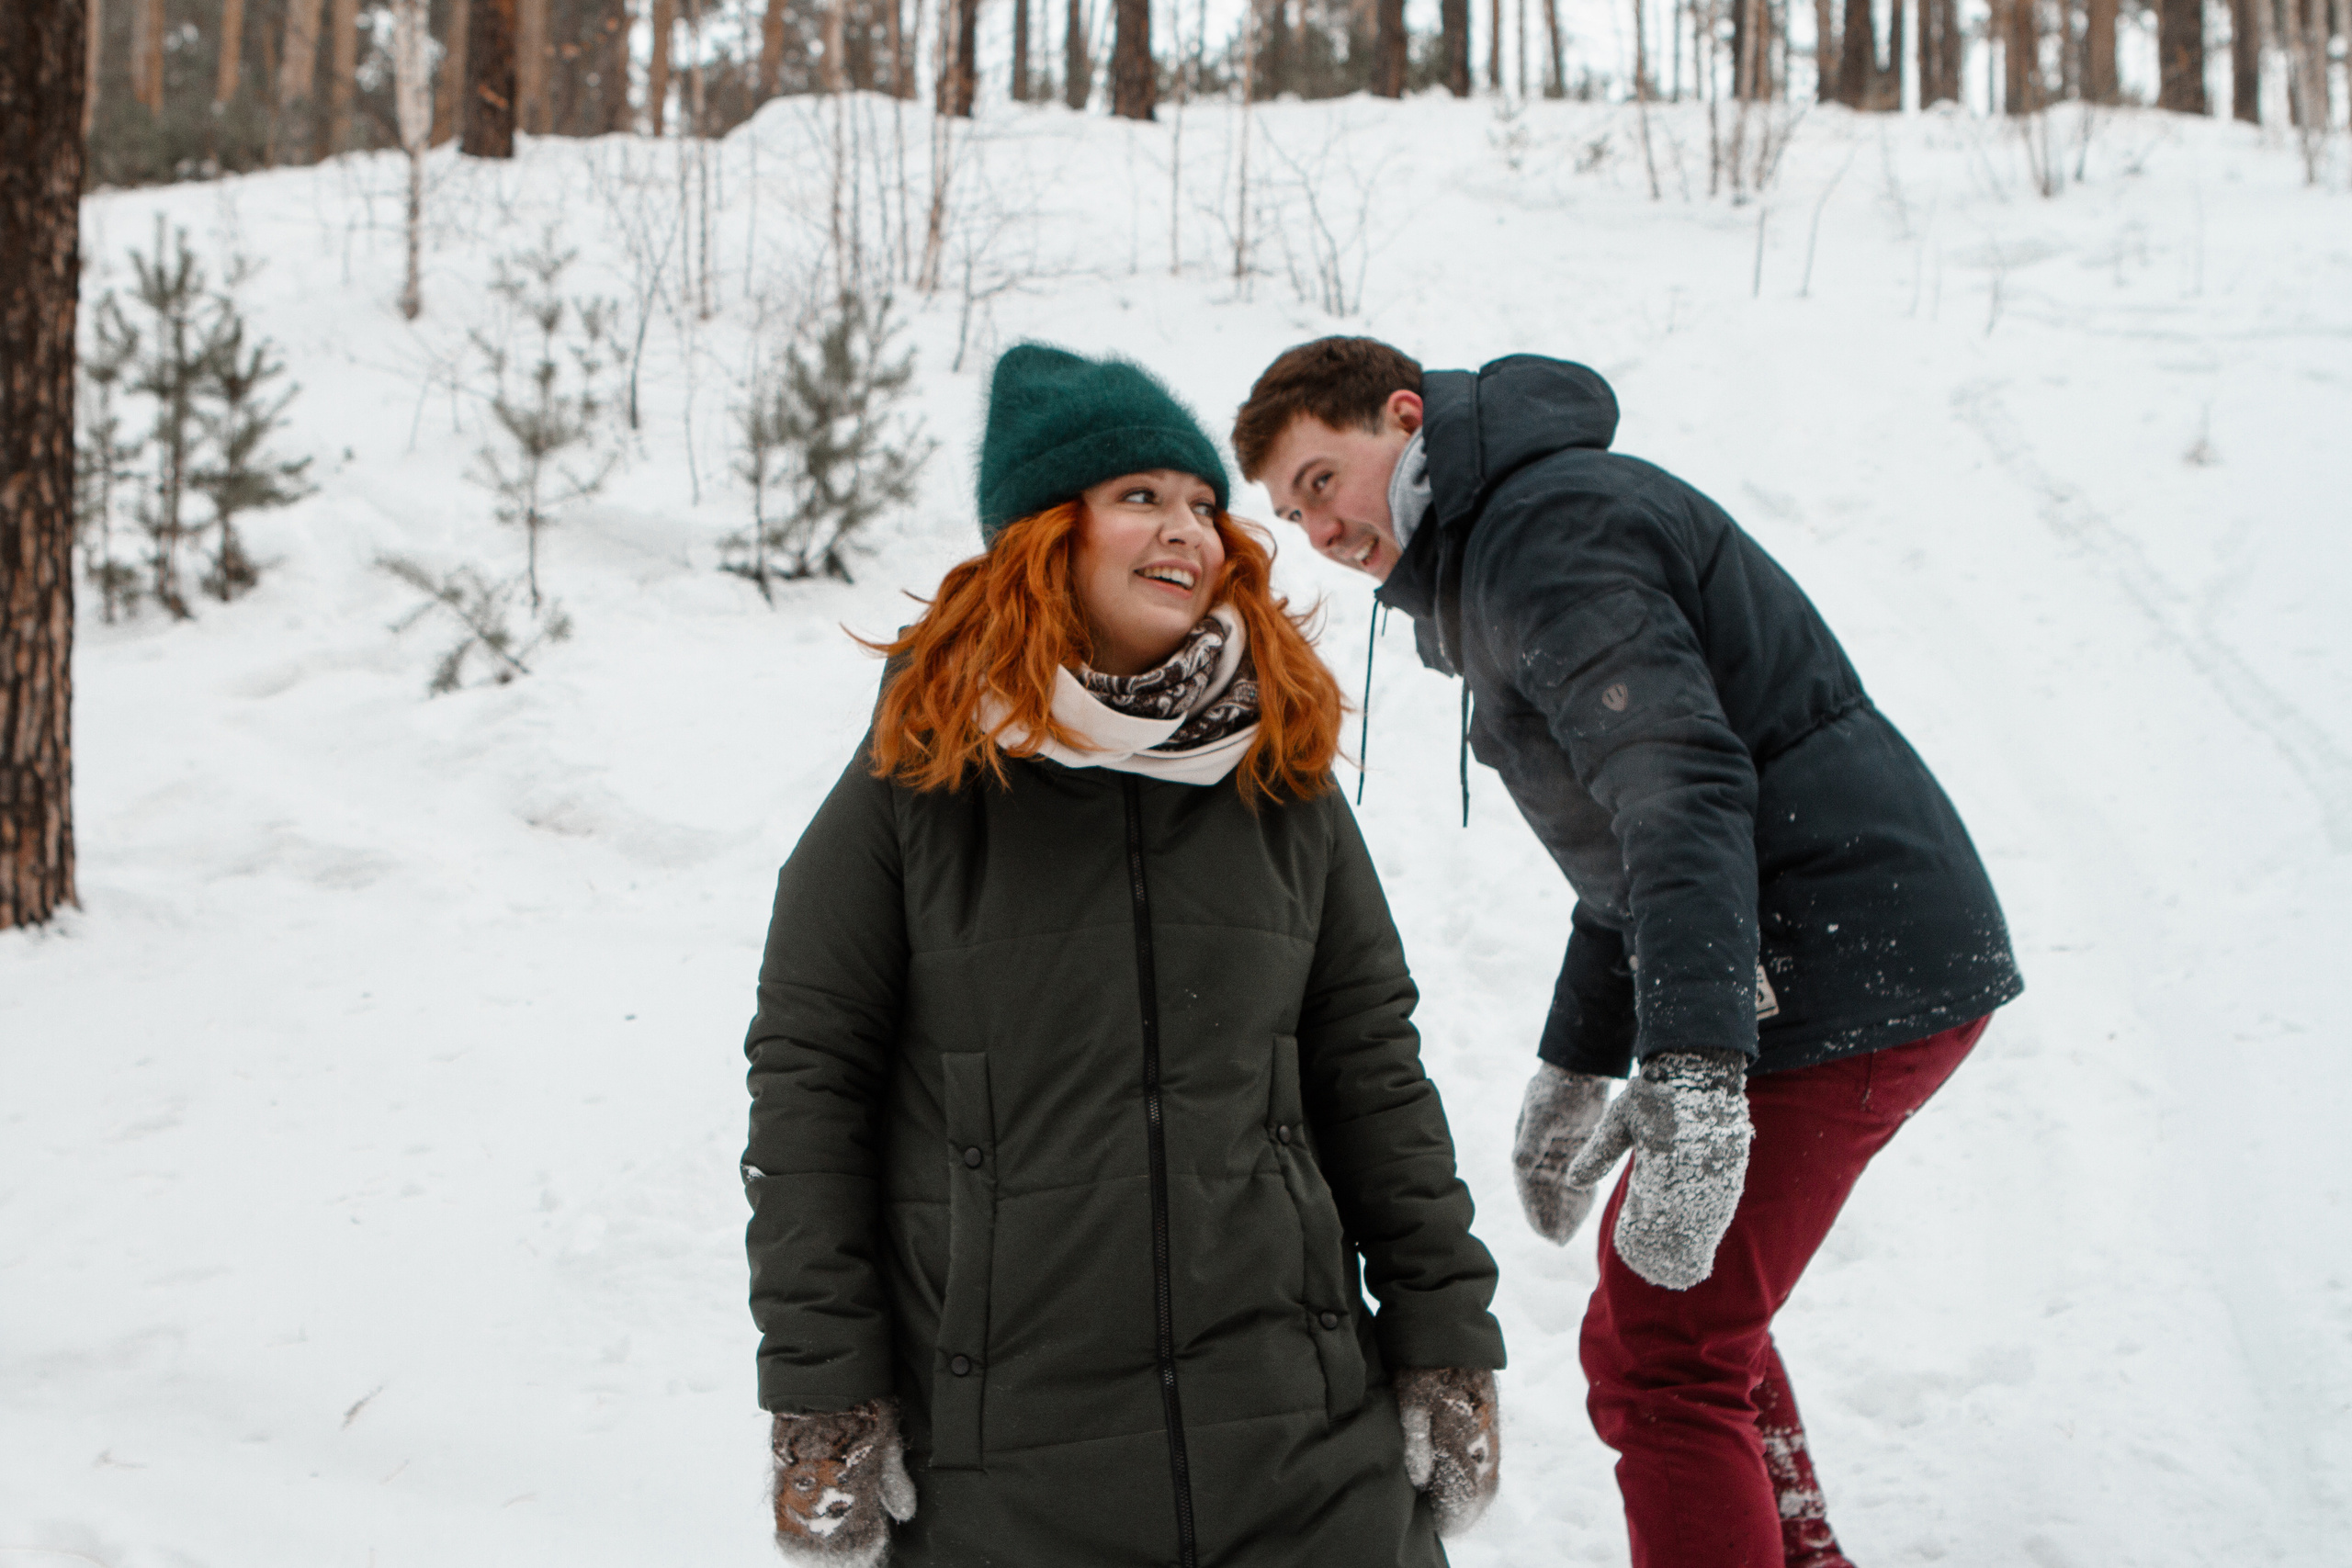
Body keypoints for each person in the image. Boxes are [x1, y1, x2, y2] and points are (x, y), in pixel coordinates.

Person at [1231, 338, 2024, 1568]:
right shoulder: (1504, 547)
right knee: (1685, 1314)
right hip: (1822, 949)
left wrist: (1694, 1072)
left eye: (1323, 482)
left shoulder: (1544, 537)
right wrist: (1579, 1062)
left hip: (1841, 955)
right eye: (1292, 516)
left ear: (1404, 417)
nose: (1320, 532)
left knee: (1661, 1357)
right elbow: (1624, 856)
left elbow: (1680, 798)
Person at [741, 344, 1508, 1568]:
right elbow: (808, 1086)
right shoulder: (916, 784)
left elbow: (1372, 1065)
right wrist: (824, 1393)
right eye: (1139, 496)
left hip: (1304, 1444)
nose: (1187, 530)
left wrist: (1446, 1334)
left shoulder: (1279, 775)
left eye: (1203, 503)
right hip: (1008, 1474)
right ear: (1047, 533)